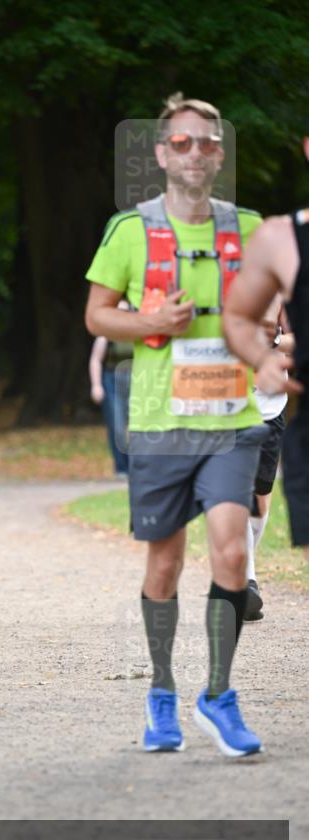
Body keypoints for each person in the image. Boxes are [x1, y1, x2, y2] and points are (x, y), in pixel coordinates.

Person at [86, 93, 268, 757]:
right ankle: (161, 690)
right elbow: (96, 315)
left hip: (231, 419)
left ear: (218, 152)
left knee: (228, 548)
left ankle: (217, 694)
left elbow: (279, 302)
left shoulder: (249, 228)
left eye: (207, 142)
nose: (195, 152)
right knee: (162, 562)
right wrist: (147, 323)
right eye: (182, 143)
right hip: (161, 422)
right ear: (162, 154)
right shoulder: (129, 230)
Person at [222, 129, 308, 561]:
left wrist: (277, 340)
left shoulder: (281, 275)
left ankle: (248, 561)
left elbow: (287, 333)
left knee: (260, 491)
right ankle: (247, 577)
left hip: (269, 399)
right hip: (224, 393)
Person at [243, 299, 294, 622]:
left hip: (269, 409)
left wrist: (271, 342)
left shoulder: (282, 286)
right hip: (226, 407)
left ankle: (242, 565)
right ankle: (246, 581)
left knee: (260, 503)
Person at [89, 328, 133, 477]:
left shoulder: (138, 333)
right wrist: (96, 386)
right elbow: (95, 360)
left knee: (136, 427)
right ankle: (122, 468)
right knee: (117, 425)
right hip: (112, 381)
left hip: (136, 380)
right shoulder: (106, 336)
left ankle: (135, 466)